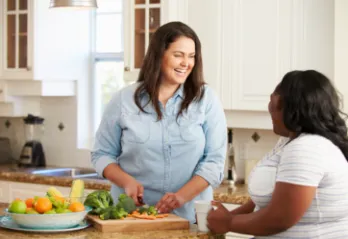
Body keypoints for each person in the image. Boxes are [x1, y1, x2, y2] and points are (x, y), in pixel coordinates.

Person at [91, 21, 227, 223]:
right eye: (178, 55)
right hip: (130, 218)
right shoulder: (124, 100)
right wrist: (126, 181)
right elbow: (101, 154)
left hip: (189, 218)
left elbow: (214, 163)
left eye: (191, 57)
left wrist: (180, 197)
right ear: (159, 55)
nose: (186, 63)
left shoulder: (206, 100)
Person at [207, 70, 348, 238]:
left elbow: (279, 218)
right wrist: (227, 217)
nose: (270, 111)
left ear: (291, 108)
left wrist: (228, 223)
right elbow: (270, 200)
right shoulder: (290, 142)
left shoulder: (307, 148)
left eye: (272, 103)